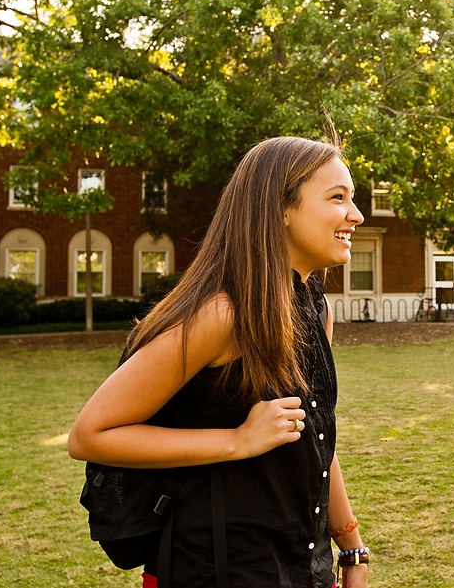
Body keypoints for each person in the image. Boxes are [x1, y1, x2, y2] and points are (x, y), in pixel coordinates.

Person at [68, 136, 369, 588]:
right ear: (280, 210)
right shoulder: (221, 314)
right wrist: (236, 440)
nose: (356, 214)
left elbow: (315, 435)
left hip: (304, 565)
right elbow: (90, 436)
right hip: (217, 568)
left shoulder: (314, 308)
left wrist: (350, 546)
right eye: (337, 197)